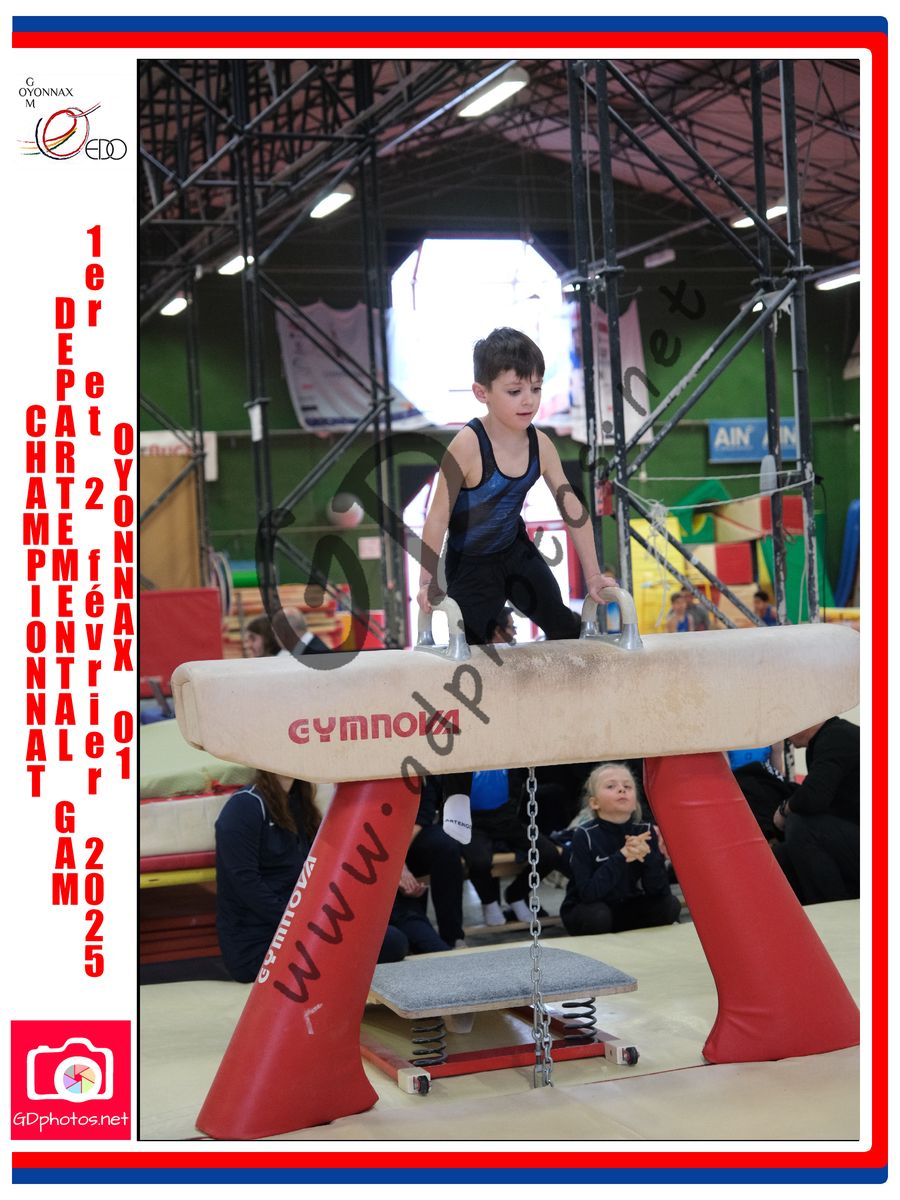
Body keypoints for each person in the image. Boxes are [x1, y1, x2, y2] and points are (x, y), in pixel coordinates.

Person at [416, 327, 616, 841]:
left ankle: (580, 739)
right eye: (514, 390)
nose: (528, 400)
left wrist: (594, 574)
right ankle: (456, 792)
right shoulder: (467, 444)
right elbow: (436, 518)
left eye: (536, 388)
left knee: (568, 630)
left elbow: (573, 510)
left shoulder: (540, 443)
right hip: (471, 568)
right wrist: (427, 581)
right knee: (465, 676)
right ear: (481, 392)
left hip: (516, 555)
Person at [214, 770, 407, 982]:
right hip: (259, 943)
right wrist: (303, 924)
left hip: (300, 928)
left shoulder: (299, 802)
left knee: (391, 940)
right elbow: (245, 884)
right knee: (388, 943)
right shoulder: (244, 806)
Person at [560, 762, 681, 936]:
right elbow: (588, 893)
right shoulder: (584, 835)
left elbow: (658, 891)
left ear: (635, 803)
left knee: (670, 905)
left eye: (627, 786)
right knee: (598, 916)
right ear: (594, 803)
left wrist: (649, 858)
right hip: (589, 907)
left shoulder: (644, 831)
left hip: (625, 905)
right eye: (611, 786)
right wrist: (622, 856)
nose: (621, 790)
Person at [459, 768, 564, 927]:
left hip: (505, 818)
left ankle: (516, 894)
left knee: (549, 853)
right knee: (480, 861)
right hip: (470, 822)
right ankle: (489, 902)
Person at [771, 716, 860, 904]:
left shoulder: (837, 737)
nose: (785, 737)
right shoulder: (824, 739)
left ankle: (833, 908)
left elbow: (812, 798)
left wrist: (783, 810)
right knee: (782, 856)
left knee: (802, 825)